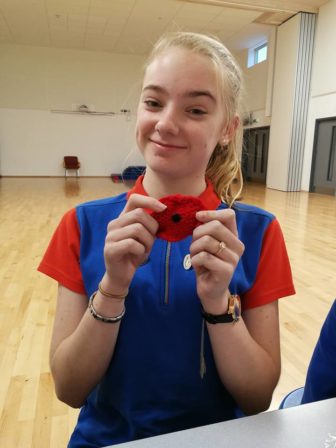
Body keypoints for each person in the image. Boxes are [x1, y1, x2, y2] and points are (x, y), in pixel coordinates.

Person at [38, 32, 295, 447]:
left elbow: (256, 398)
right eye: (154, 102)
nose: (166, 123)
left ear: (227, 129)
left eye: (195, 109)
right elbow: (68, 389)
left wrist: (217, 302)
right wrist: (112, 288)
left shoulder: (258, 233)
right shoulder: (82, 225)